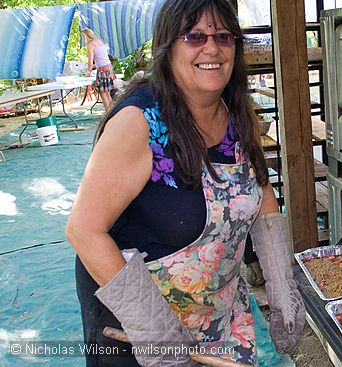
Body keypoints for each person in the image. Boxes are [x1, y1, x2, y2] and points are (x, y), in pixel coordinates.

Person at [65, 1, 305, 366]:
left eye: (223, 36)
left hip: (218, 318)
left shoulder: (235, 112)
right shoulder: (139, 123)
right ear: (168, 46)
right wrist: (156, 330)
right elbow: (84, 230)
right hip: (139, 332)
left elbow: (261, 193)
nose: (212, 48)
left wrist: (281, 283)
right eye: (194, 36)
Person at [82, 28, 116, 109]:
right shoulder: (99, 42)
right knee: (107, 93)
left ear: (86, 36)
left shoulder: (90, 45)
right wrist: (94, 66)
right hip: (109, 68)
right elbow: (101, 58)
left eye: (83, 37)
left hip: (103, 70)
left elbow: (90, 62)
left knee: (103, 93)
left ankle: (108, 115)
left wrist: (88, 73)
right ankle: (112, 113)